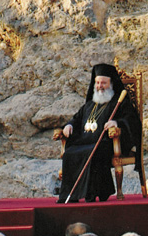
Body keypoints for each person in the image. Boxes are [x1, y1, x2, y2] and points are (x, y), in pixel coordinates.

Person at [57, 63, 142, 203]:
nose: (100, 86)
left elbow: (132, 121)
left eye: (103, 82)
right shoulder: (90, 104)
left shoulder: (119, 103)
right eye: (97, 82)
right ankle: (72, 196)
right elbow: (76, 119)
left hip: (106, 143)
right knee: (70, 152)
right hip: (85, 142)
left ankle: (93, 194)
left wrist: (117, 123)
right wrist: (69, 125)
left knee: (94, 152)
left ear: (111, 83)